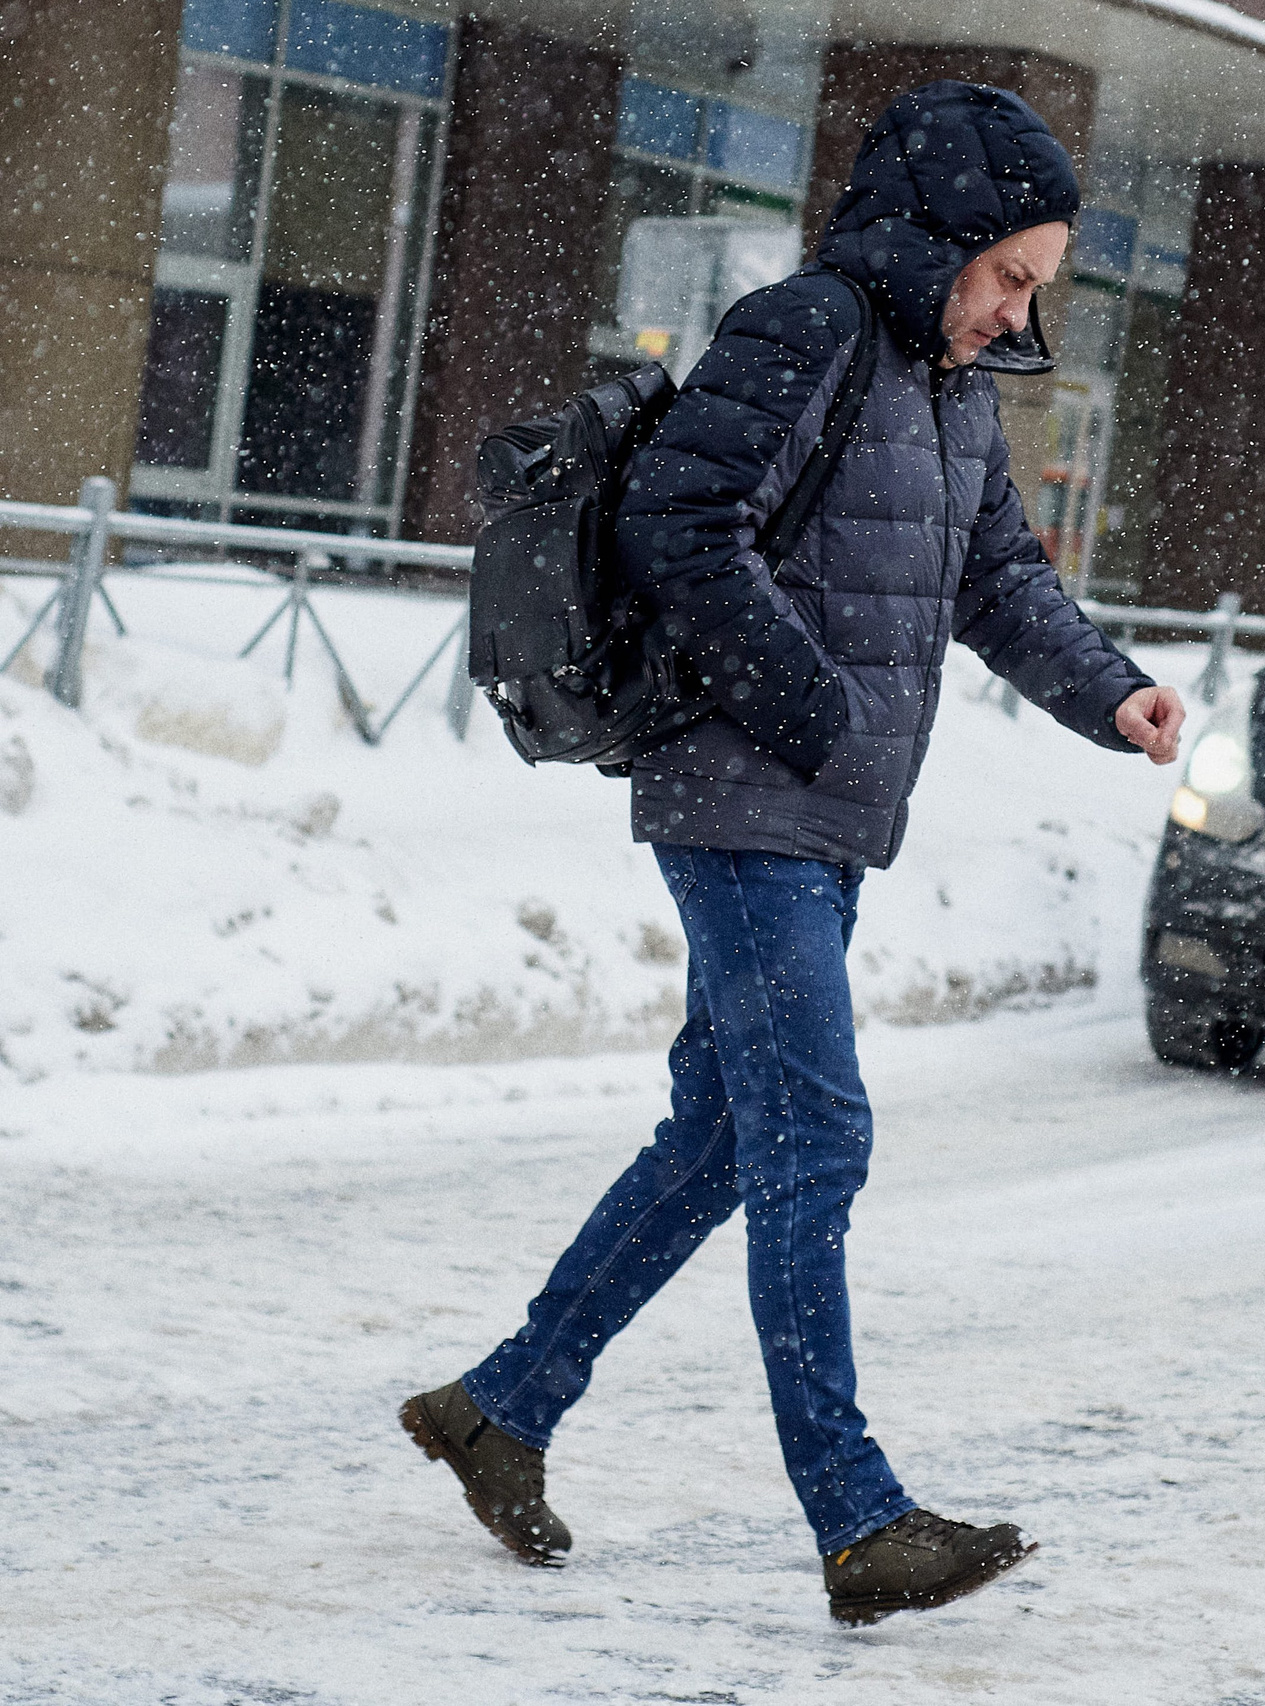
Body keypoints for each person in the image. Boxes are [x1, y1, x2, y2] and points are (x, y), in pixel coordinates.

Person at [399, 81, 1184, 1629]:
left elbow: (997, 576)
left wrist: (1113, 689)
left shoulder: (953, 385)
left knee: (722, 1136)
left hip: (822, 819)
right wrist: (810, 706)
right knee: (815, 1132)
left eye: (1039, 282)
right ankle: (857, 1516)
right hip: (741, 799)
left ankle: (503, 1403)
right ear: (933, 236)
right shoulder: (807, 328)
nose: (1020, 309)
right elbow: (681, 526)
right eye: (1007, 273)